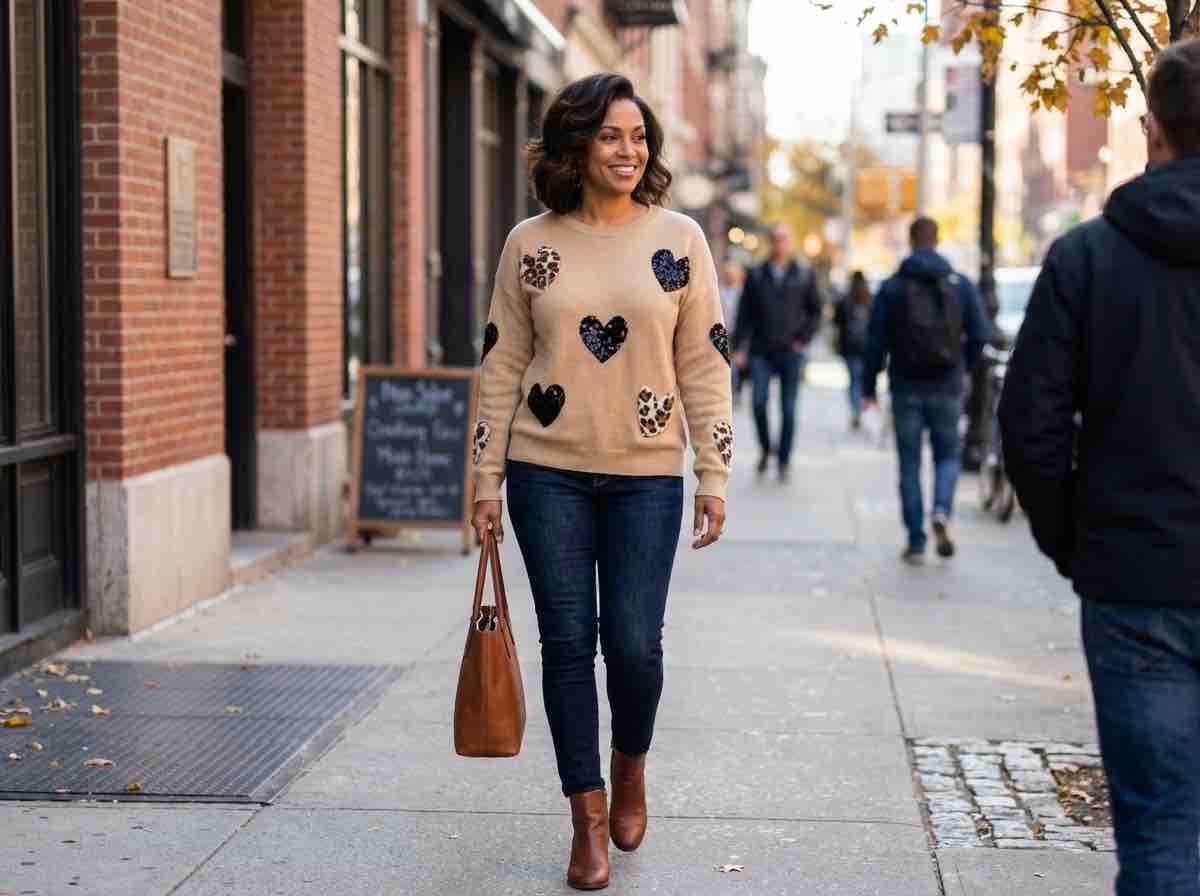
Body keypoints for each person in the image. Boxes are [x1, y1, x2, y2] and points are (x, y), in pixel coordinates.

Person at [471, 72, 732, 892]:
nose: (629, 151)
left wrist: (713, 471)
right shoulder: (530, 244)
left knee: (633, 645)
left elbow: (705, 364)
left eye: (639, 137)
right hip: (544, 472)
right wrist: (484, 477)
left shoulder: (681, 240)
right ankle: (584, 818)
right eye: (612, 136)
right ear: (577, 144)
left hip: (645, 476)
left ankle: (630, 765)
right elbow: (501, 361)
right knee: (566, 647)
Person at [998, 39, 1200, 896]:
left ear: (1150, 127)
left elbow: (1031, 424)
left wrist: (1078, 543)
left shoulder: (1087, 256)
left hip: (1135, 574)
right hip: (1128, 566)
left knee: (1157, 836)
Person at [863, 216, 988, 564]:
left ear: (911, 240)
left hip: (906, 385)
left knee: (909, 463)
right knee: (947, 456)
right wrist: (962, 365)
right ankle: (942, 512)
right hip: (948, 384)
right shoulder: (959, 284)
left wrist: (869, 385)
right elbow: (980, 334)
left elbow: (875, 341)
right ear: (937, 239)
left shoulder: (893, 287)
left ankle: (916, 539)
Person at [732, 223, 823, 483]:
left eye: (784, 238)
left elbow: (816, 311)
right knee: (758, 402)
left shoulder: (804, 273)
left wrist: (802, 339)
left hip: (790, 352)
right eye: (776, 238)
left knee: (789, 409)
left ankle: (783, 460)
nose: (780, 243)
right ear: (770, 242)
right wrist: (739, 347)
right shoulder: (757, 273)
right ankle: (765, 448)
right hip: (761, 349)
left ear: (790, 241)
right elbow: (744, 313)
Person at [834, 271, 873, 429]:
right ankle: (860, 405)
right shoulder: (870, 299)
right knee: (862, 379)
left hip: (850, 347)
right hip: (866, 347)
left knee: (853, 380)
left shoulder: (845, 300)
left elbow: (836, 322)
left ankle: (856, 409)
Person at [718, 261, 748, 405]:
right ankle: (726, 391)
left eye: (733, 274)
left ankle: (736, 391)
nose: (730, 276)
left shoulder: (742, 292)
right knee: (724, 365)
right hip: (722, 333)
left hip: (737, 333)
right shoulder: (719, 290)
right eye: (728, 274)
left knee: (736, 365)